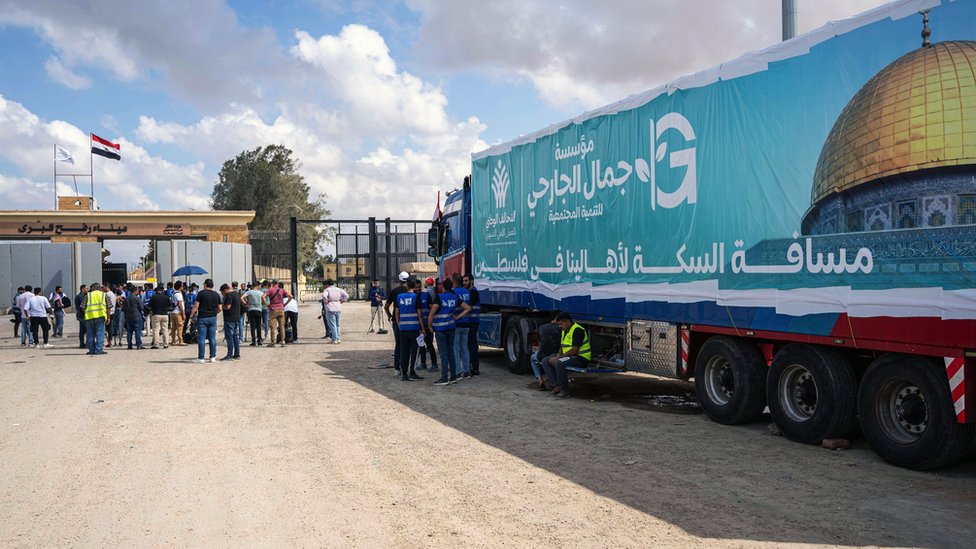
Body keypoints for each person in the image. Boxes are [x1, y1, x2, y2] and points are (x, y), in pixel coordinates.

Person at [428, 278, 470, 386]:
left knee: (443, 353)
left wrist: (429, 326)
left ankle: (444, 377)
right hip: (451, 327)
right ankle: (453, 376)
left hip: (440, 329)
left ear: (442, 287)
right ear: (451, 287)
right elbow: (467, 308)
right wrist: (457, 317)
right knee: (451, 352)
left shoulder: (439, 298)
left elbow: (432, 313)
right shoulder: (454, 297)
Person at [542, 313, 591, 399]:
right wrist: (557, 355)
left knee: (559, 363)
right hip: (569, 356)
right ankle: (556, 386)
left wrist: (558, 358)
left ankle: (564, 391)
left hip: (580, 358)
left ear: (568, 322)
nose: (560, 326)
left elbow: (574, 350)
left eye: (561, 324)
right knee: (546, 361)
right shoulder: (565, 330)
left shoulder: (577, 330)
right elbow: (562, 346)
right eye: (559, 324)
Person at [394, 277, 424, 381]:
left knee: (404, 351)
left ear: (407, 285)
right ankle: (412, 372)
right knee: (414, 351)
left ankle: (404, 373)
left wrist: (399, 324)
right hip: (414, 327)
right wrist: (422, 328)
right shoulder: (416, 297)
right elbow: (419, 314)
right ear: (415, 285)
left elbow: (396, 312)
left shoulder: (399, 297)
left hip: (403, 328)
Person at [189, 278, 222, 363]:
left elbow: (196, 306)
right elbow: (220, 308)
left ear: (205, 285)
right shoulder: (216, 294)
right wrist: (214, 313)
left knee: (202, 338)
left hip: (203, 317)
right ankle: (212, 357)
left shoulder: (201, 293)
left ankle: (201, 358)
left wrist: (191, 316)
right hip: (213, 318)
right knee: (212, 338)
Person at [384, 272, 410, 375]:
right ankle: (408, 367)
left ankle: (397, 368)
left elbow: (386, 306)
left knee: (398, 344)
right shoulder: (410, 291)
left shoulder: (394, 291)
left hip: (396, 320)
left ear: (399, 280)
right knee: (408, 344)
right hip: (410, 321)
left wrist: (390, 316)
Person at [530, 315, 562, 390]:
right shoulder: (563, 328)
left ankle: (540, 380)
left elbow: (540, 344)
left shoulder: (542, 328)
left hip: (545, 355)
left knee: (532, 358)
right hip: (559, 354)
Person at [452, 280, 474, 379]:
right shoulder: (467, 292)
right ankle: (467, 371)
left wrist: (457, 317)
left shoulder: (454, 292)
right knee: (464, 348)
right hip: (466, 323)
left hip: (457, 323)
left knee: (455, 348)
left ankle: (457, 371)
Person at [461, 274, 481, 375]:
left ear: (471, 281)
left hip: (473, 322)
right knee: (469, 345)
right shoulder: (469, 292)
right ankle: (471, 366)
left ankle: (475, 368)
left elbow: (469, 306)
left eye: (466, 281)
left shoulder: (474, 292)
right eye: (463, 281)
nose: (464, 283)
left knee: (472, 346)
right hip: (470, 322)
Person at [417, 277, 438, 371]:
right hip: (419, 324)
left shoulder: (426, 295)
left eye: (418, 287)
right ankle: (423, 363)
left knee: (429, 344)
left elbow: (431, 308)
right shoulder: (414, 297)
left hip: (426, 324)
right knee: (421, 344)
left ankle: (434, 364)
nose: (417, 289)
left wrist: (429, 325)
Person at [83, 282, 109, 355]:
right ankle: (98, 350)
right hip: (100, 316)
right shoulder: (104, 295)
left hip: (89, 316)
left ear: (93, 288)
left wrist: (86, 312)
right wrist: (108, 317)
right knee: (100, 334)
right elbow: (109, 307)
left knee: (90, 334)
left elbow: (82, 306)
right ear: (99, 288)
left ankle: (91, 350)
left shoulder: (88, 295)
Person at [321, 279, 349, 344]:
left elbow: (324, 295)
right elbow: (347, 295)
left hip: (330, 307)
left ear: (327, 284)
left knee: (332, 325)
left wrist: (326, 300)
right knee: (337, 324)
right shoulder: (338, 289)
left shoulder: (327, 290)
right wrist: (342, 300)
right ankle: (338, 338)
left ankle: (334, 339)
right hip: (338, 307)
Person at [220, 283, 242, 360]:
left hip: (229, 318)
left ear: (225, 290)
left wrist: (222, 306)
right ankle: (237, 354)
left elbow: (228, 307)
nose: (223, 294)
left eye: (223, 292)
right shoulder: (236, 294)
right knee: (235, 336)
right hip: (236, 318)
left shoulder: (229, 295)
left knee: (229, 337)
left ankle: (229, 355)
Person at [263, 280, 289, 347]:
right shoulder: (282, 290)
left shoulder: (270, 290)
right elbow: (290, 296)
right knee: (282, 326)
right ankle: (283, 342)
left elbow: (262, 297)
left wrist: (267, 305)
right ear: (278, 284)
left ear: (273, 283)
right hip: (281, 309)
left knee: (273, 327)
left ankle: (272, 343)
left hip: (273, 309)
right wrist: (285, 304)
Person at [122, 285, 145, 349]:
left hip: (129, 317)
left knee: (129, 332)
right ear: (135, 291)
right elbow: (141, 307)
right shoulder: (137, 298)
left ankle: (129, 345)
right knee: (137, 331)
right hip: (137, 316)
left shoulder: (126, 298)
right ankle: (138, 344)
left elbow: (124, 308)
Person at [148, 284, 171, 349]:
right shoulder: (166, 297)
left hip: (156, 314)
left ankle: (156, 344)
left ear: (156, 291)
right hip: (165, 315)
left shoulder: (153, 297)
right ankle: (166, 344)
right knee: (165, 330)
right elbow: (170, 306)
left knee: (156, 330)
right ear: (162, 291)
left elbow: (149, 306)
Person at [244, 282, 265, 346]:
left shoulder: (249, 292)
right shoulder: (261, 293)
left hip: (251, 310)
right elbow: (264, 299)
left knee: (252, 326)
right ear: (258, 286)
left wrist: (246, 303)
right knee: (258, 326)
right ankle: (259, 340)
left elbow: (241, 297)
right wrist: (264, 304)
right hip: (259, 310)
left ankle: (253, 341)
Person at [169, 280, 186, 346]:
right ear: (180, 287)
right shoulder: (179, 294)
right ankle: (180, 341)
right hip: (178, 312)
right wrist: (183, 313)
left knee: (173, 328)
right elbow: (180, 304)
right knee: (180, 327)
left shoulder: (173, 293)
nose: (182, 287)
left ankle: (173, 341)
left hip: (172, 312)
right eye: (182, 286)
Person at [75, 284, 88, 348]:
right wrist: (86, 313)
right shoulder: (81, 296)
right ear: (82, 289)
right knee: (88, 329)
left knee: (82, 331)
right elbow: (83, 306)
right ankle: (87, 343)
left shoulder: (78, 296)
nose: (87, 290)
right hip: (83, 315)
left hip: (80, 315)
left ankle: (82, 343)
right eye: (86, 288)